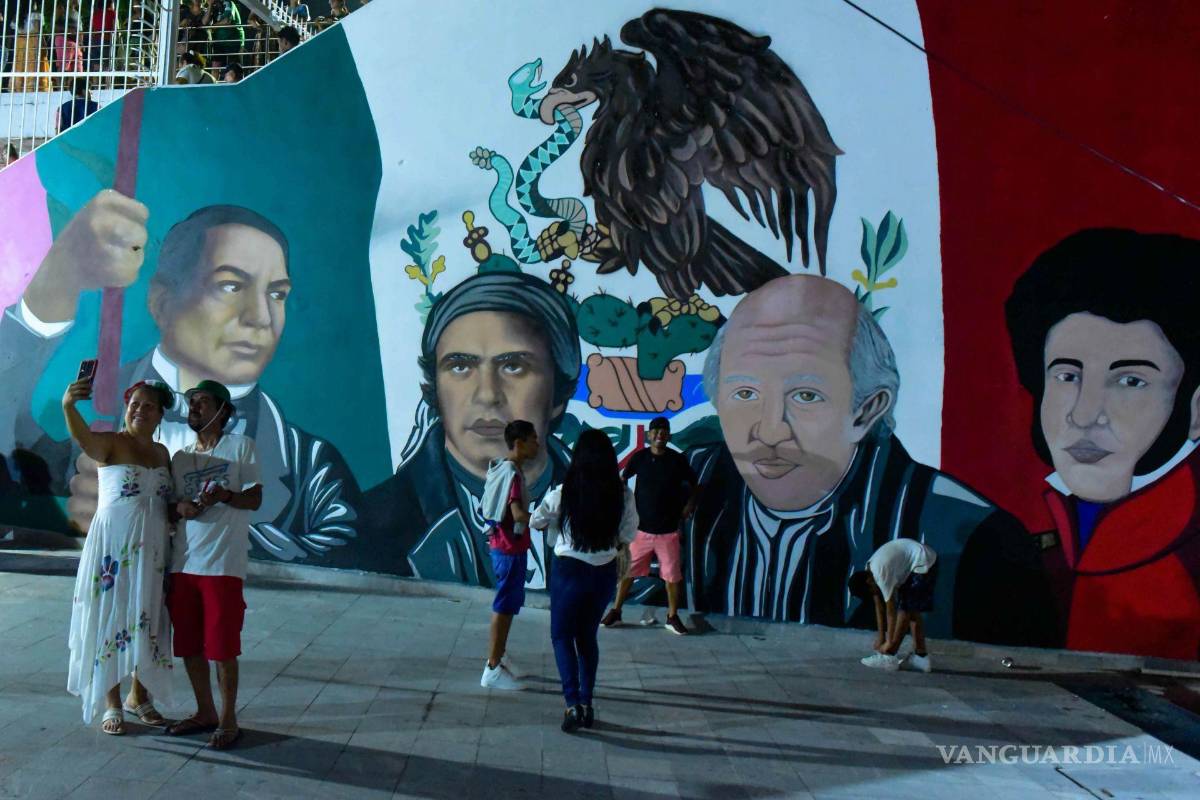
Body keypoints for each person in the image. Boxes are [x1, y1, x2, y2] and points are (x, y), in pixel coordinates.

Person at [687, 274, 1053, 644]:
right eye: (745, 393)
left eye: (805, 396)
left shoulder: (976, 541)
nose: (769, 431)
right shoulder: (683, 490)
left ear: (866, 410)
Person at [0, 197, 361, 567]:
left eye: (277, 294)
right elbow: (10, 440)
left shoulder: (313, 466)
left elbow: (346, 550)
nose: (261, 317)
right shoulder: (96, 408)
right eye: (232, 286)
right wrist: (52, 288)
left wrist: (182, 528)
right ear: (161, 302)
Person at [1006, 228, 1200, 659]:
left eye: (1130, 380)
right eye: (1067, 375)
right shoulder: (1044, 551)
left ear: (1197, 408)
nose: (1084, 413)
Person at [359, 270, 580, 587]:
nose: (487, 394)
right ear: (435, 387)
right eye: (460, 366)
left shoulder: (607, 501)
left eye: (513, 366)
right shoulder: (376, 525)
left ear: (558, 393)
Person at [63, 377, 175, 734]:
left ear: (160, 415)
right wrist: (69, 405)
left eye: (149, 406)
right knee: (110, 617)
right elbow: (83, 439)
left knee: (148, 616)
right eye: (135, 403)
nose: (140, 410)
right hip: (113, 549)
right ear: (126, 407)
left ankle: (139, 697)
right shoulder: (111, 443)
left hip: (154, 548)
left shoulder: (162, 454)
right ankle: (112, 704)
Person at [164, 380, 262, 750]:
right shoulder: (181, 457)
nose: (195, 408)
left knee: (222, 647)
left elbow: (253, 499)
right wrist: (180, 508)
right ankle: (204, 711)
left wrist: (227, 495)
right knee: (189, 644)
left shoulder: (241, 448)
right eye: (192, 402)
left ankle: (228, 719)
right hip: (183, 564)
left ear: (223, 411)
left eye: (203, 402)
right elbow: (170, 505)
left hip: (222, 565)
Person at [531, 429, 638, 731]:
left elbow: (535, 520)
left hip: (568, 571)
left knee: (562, 636)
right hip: (603, 572)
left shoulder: (565, 491)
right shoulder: (622, 494)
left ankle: (572, 705)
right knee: (586, 639)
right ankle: (587, 704)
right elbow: (629, 533)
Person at [601, 416, 698, 635]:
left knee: (672, 577)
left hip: (669, 531)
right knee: (628, 573)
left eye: (663, 431)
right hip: (641, 530)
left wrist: (689, 505)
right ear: (649, 435)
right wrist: (623, 508)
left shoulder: (677, 460)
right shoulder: (639, 458)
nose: (659, 435)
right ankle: (616, 611)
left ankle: (672, 617)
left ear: (668, 436)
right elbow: (624, 480)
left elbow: (695, 485)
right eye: (655, 431)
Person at [478, 420, 538, 691]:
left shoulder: (503, 468)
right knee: (503, 607)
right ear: (520, 442)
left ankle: (499, 658)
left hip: (504, 548)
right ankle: (492, 667)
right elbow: (517, 515)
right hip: (509, 549)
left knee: (507, 605)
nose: (537, 444)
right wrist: (544, 517)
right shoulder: (512, 475)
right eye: (533, 439)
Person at [848, 539, 938, 672]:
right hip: (916, 561)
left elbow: (891, 612)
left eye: (871, 591)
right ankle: (921, 658)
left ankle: (889, 656)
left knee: (905, 609)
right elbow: (879, 606)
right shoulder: (871, 573)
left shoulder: (880, 574)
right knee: (912, 611)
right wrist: (881, 638)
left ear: (869, 581)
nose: (874, 593)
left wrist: (889, 643)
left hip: (923, 560)